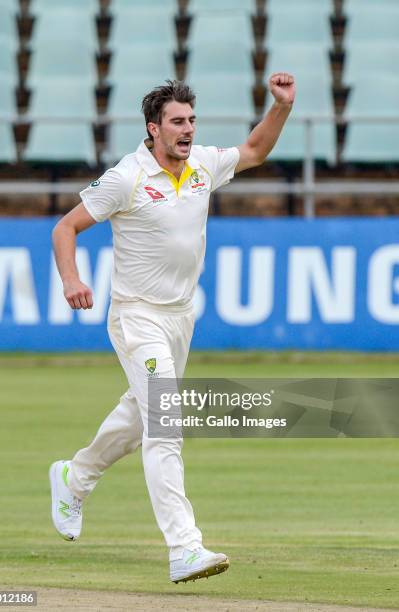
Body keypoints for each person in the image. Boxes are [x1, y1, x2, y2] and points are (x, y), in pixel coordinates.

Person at [49, 74, 295, 584]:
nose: (187, 130)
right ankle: (184, 546)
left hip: (181, 316)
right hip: (137, 316)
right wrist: (72, 278)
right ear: (153, 129)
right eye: (177, 123)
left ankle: (76, 476)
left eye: (191, 121)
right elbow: (65, 227)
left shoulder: (202, 164)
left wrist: (281, 106)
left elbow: (254, 149)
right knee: (166, 426)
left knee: (140, 418)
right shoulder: (127, 177)